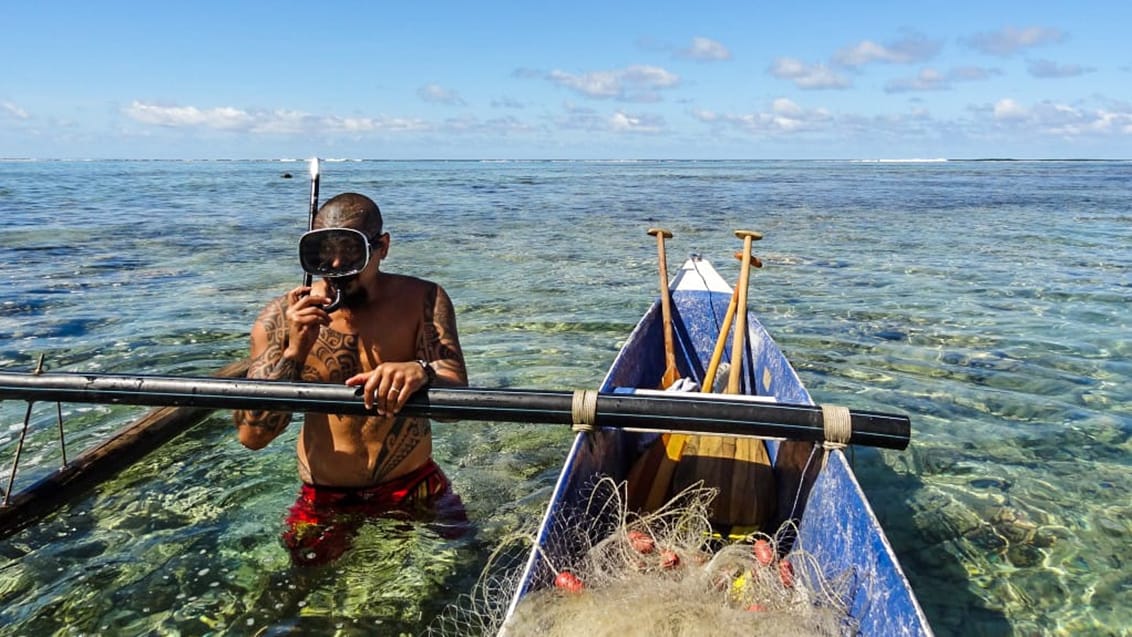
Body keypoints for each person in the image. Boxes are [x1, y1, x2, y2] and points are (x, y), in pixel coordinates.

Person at [233, 192, 469, 565]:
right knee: (301, 597)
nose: (338, 265)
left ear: (382, 247)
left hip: (415, 487)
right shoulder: (279, 318)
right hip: (324, 497)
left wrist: (422, 371)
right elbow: (252, 436)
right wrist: (293, 351)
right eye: (324, 252)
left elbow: (456, 404)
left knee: (464, 565)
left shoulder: (423, 299)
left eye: (351, 251)